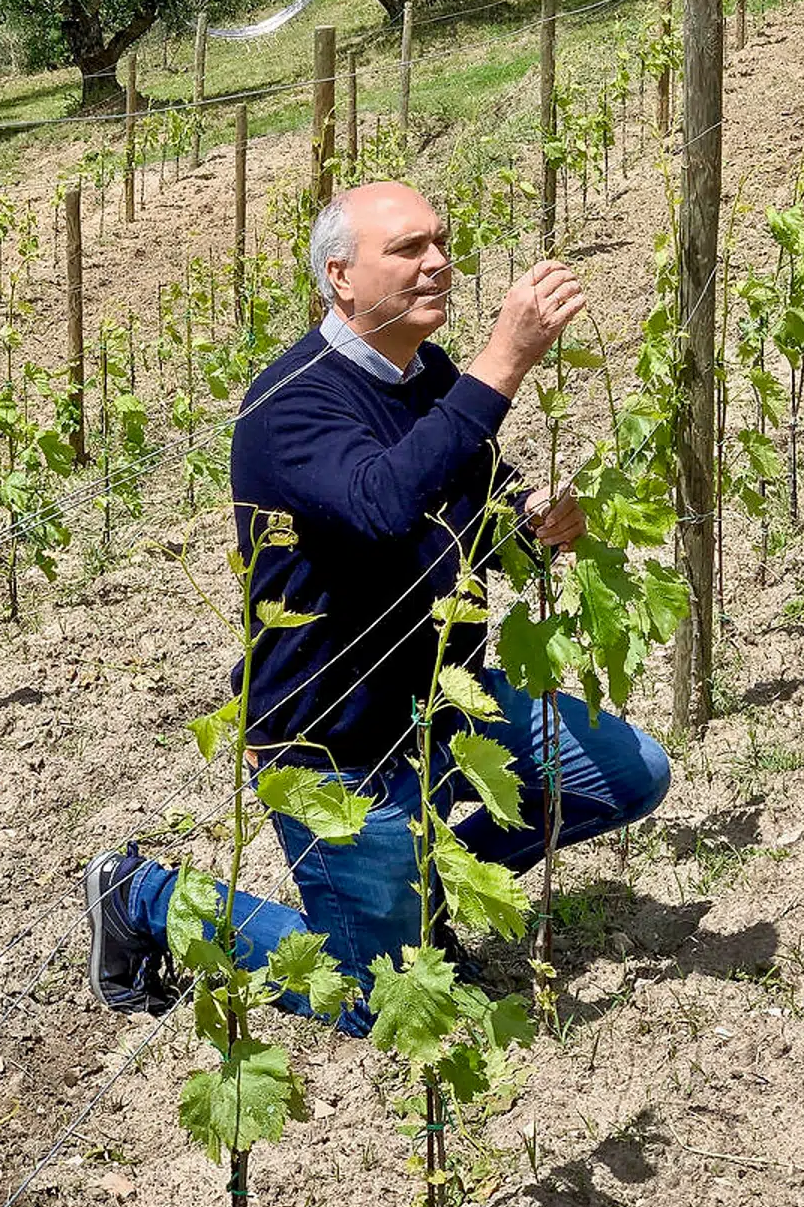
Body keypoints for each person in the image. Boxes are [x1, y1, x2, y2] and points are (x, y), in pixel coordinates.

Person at [86, 181, 670, 1030]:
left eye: (440, 241)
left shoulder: (426, 371)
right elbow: (380, 504)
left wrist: (530, 516)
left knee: (627, 779)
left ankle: (418, 886)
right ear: (341, 277)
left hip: (444, 704)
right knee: (381, 1005)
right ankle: (144, 897)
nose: (438, 262)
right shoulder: (288, 405)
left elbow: (465, 500)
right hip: (337, 743)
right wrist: (502, 362)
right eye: (408, 250)